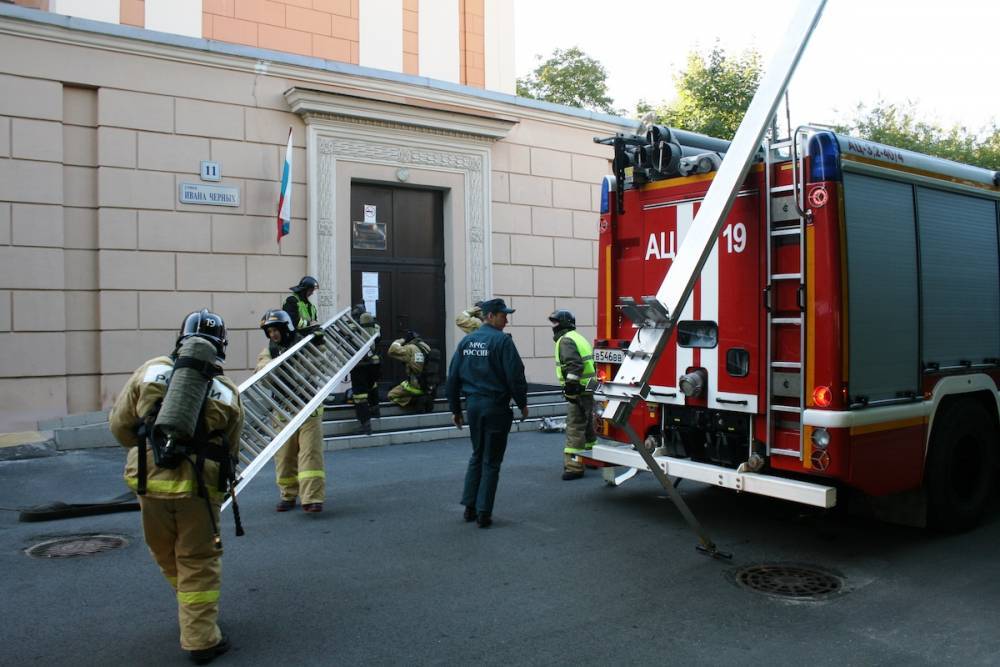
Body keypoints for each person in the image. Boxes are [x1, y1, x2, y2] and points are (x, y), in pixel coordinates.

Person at [109, 309, 244, 665]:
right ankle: (201, 638)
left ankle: (192, 610)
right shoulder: (226, 390)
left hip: (149, 482)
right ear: (220, 347)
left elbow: (120, 426)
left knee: (163, 551)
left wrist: (149, 454)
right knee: (198, 561)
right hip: (199, 490)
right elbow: (231, 446)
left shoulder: (150, 370)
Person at [446, 298, 529, 528]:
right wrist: (522, 403)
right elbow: (515, 376)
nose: (506, 319)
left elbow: (452, 378)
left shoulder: (467, 342)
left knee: (477, 455)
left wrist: (455, 409)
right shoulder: (502, 342)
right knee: (491, 460)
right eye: (503, 315)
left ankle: (469, 507)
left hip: (473, 406)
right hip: (495, 406)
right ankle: (484, 512)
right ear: (490, 316)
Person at [256, 309, 326, 513]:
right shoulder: (269, 351)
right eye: (269, 331)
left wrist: (319, 342)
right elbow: (263, 372)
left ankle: (312, 498)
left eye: (276, 330)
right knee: (284, 455)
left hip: (308, 406)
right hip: (283, 408)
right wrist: (282, 364)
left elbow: (319, 364)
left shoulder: (305, 345)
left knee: (309, 453)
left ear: (286, 329)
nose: (273, 335)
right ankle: (288, 495)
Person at [549, 309, 597, 480]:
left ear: (563, 323)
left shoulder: (566, 340)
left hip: (579, 388)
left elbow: (574, 365)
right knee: (587, 423)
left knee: (575, 425)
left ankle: (574, 466)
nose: (553, 326)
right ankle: (591, 457)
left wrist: (571, 387)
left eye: (555, 322)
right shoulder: (578, 337)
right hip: (588, 386)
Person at [349, 303, 382, 435]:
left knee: (359, 395)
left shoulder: (351, 326)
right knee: (372, 385)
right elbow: (379, 339)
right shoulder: (376, 325)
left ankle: (366, 424)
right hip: (374, 363)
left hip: (359, 365)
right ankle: (376, 410)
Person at [386, 329, 436, 412]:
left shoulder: (410, 348)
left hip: (415, 386)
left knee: (391, 395)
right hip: (428, 386)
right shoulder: (426, 347)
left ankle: (416, 400)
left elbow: (392, 350)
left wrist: (401, 340)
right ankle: (423, 398)